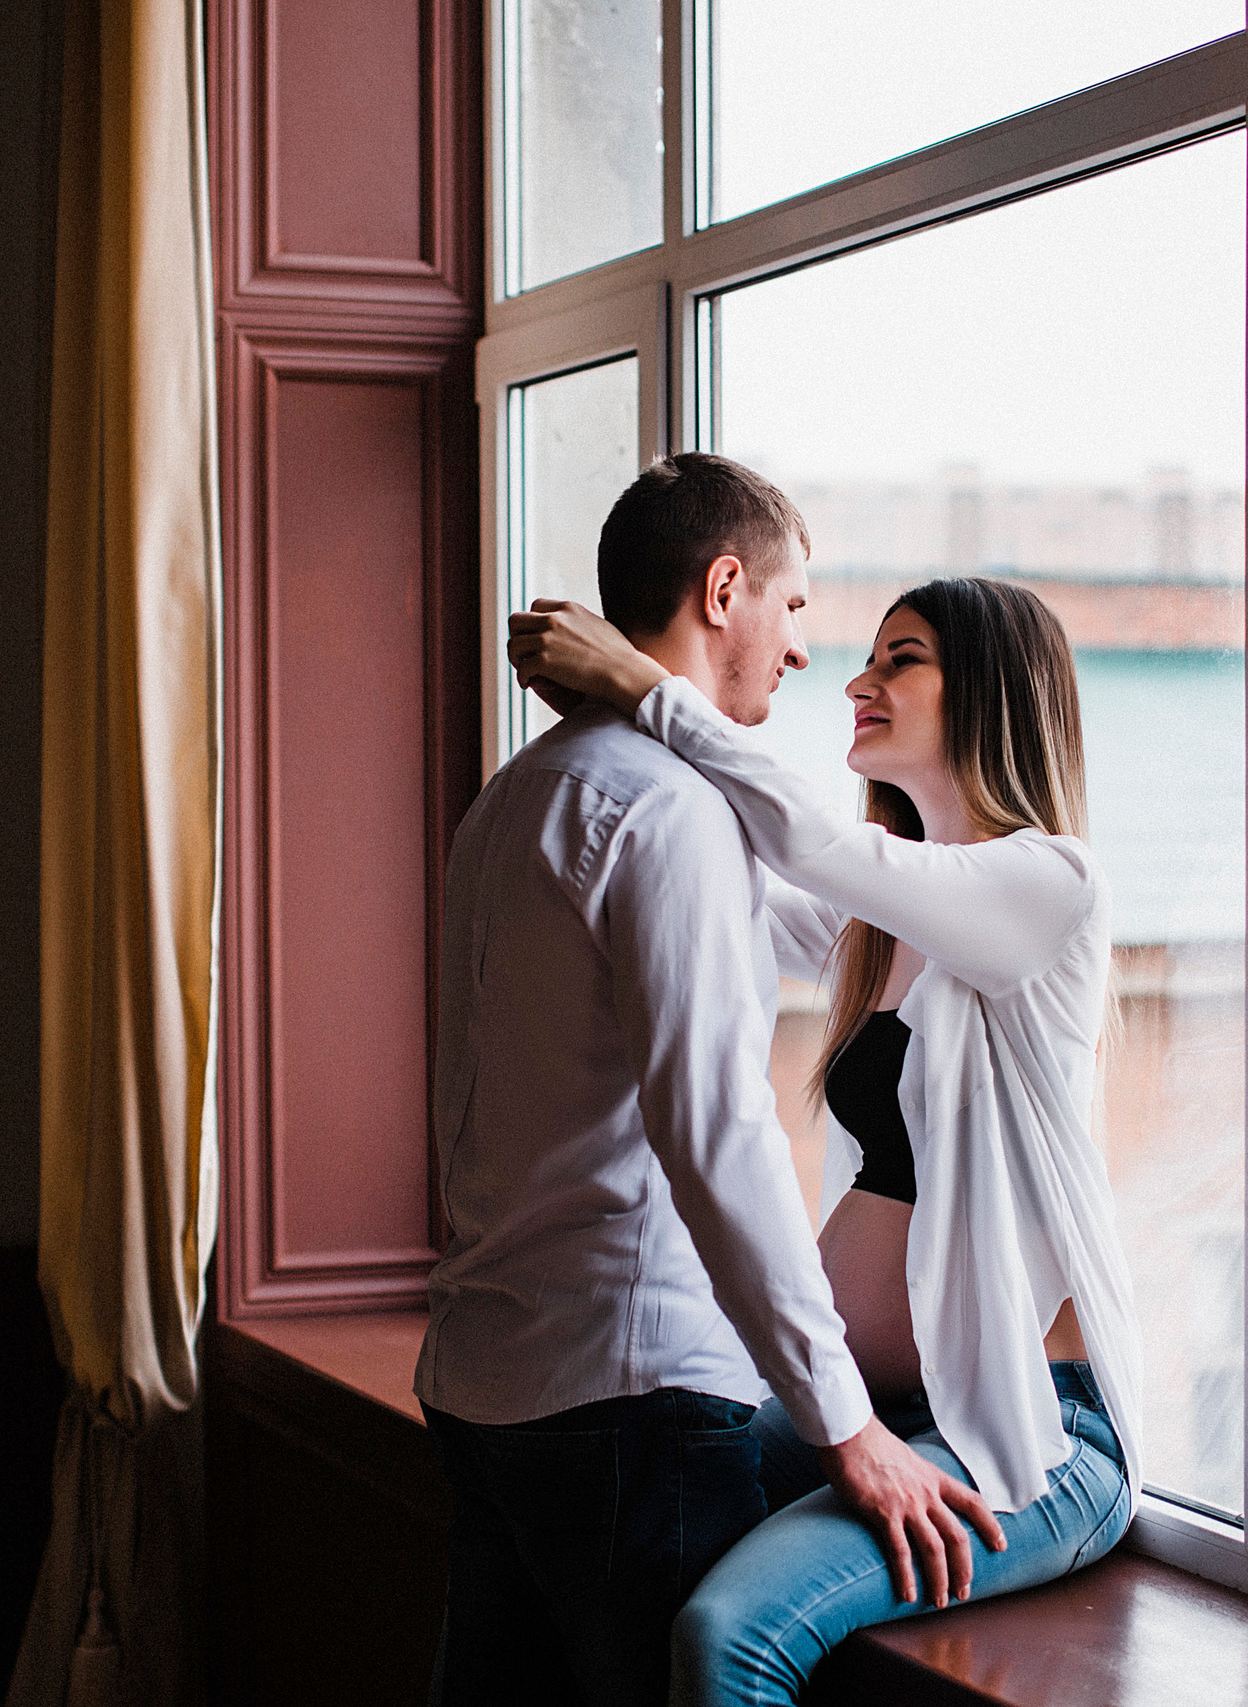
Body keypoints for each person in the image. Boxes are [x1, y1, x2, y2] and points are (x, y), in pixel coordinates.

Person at [415, 453, 1001, 1707]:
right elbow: (718, 1139)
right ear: (724, 588)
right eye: (793, 609)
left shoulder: (514, 799)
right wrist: (845, 1427)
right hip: (627, 1402)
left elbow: (834, 934)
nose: (802, 653)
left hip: (484, 1386)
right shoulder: (665, 814)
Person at [507, 572, 1142, 1707]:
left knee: (725, 1637)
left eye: (901, 659)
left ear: (992, 691)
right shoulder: (882, 927)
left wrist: (644, 686)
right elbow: (731, 872)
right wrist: (620, 731)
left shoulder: (1051, 885)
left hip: (1025, 1438)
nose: (857, 680)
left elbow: (803, 838)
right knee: (634, 1534)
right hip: (869, 1412)